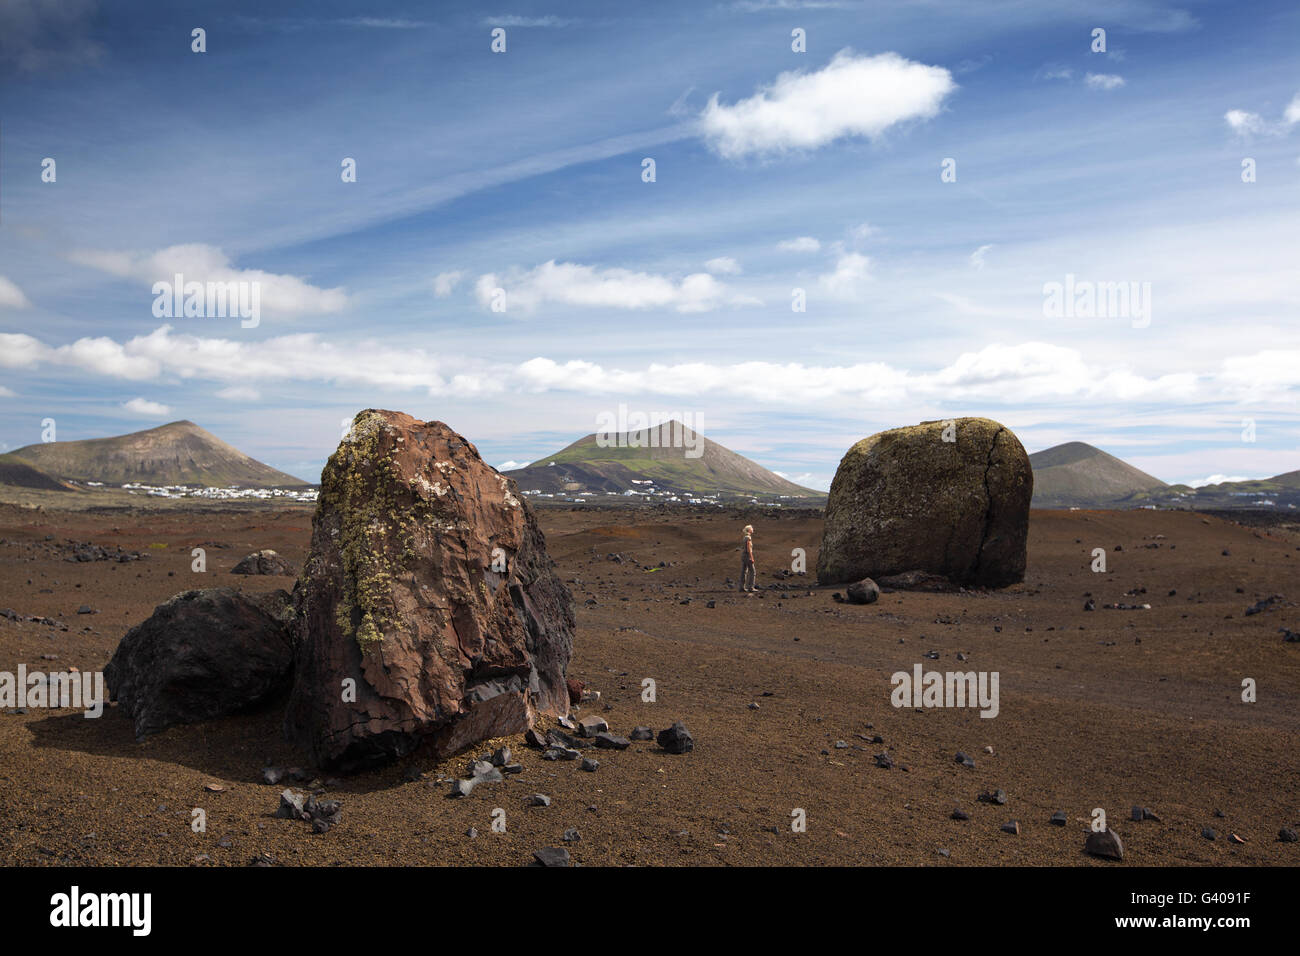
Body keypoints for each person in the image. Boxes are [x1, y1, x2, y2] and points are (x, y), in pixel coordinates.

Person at [739, 524, 756, 592]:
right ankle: (751, 587)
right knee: (752, 571)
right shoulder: (748, 538)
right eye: (752, 528)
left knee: (744, 571)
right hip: (747, 556)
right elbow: (749, 549)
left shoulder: (744, 537)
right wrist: (751, 557)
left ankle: (741, 587)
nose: (753, 529)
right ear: (749, 530)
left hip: (743, 556)